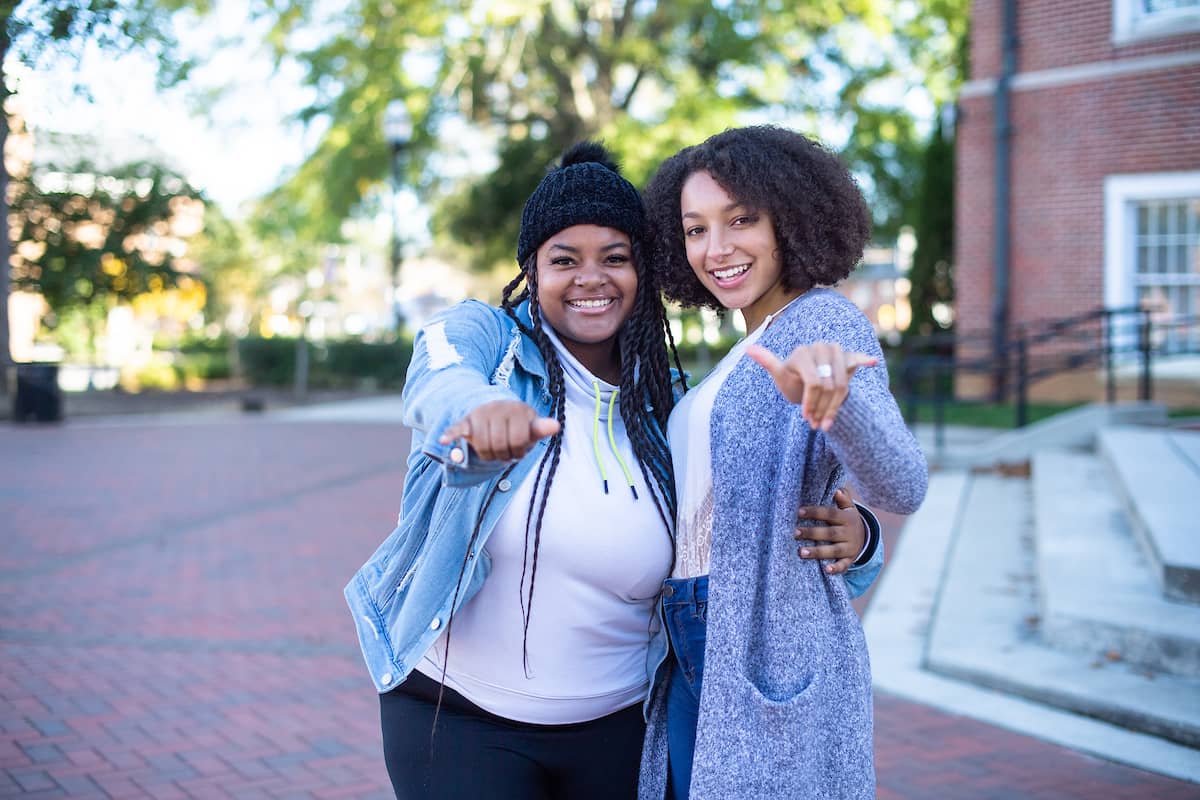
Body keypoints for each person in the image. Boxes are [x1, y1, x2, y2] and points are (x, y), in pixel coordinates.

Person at [345, 142, 885, 800]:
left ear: (644, 271)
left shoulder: (669, 409)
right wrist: (480, 411)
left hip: (621, 730)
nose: (590, 278)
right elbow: (438, 377)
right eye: (563, 260)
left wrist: (858, 539)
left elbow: (742, 530)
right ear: (532, 269)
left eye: (615, 258)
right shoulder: (488, 343)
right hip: (459, 717)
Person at [636, 126, 929, 800]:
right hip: (689, 640)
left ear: (789, 221)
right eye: (697, 228)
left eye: (742, 220)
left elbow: (901, 483)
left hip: (763, 641)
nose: (718, 248)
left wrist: (839, 399)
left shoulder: (821, 324)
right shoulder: (742, 353)